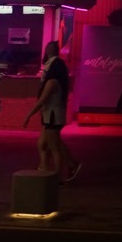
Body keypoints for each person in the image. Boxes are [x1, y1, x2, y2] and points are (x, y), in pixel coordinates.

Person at [22, 40, 81, 182]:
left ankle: (58, 175)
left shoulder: (51, 82)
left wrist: (28, 115)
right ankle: (48, 168)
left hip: (52, 116)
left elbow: (41, 101)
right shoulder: (57, 81)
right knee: (45, 144)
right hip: (52, 115)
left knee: (54, 147)